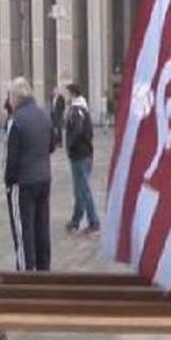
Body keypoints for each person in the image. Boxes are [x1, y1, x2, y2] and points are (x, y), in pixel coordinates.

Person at [4, 76, 54, 271]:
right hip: (43, 178)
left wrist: (8, 183)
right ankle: (44, 270)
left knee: (23, 232)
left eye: (10, 96)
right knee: (42, 229)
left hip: (22, 182)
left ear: (15, 97)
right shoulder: (44, 115)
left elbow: (10, 157)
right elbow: (52, 145)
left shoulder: (15, 120)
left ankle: (26, 274)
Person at [64, 83, 100, 236]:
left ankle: (93, 221)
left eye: (67, 93)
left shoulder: (77, 110)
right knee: (79, 189)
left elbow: (77, 130)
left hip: (80, 155)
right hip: (84, 154)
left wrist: (70, 144)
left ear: (72, 94)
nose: (65, 96)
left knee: (83, 189)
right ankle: (76, 220)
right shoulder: (82, 109)